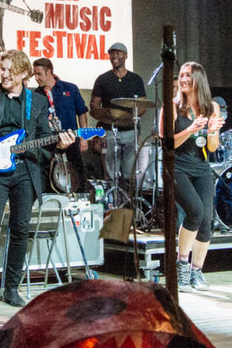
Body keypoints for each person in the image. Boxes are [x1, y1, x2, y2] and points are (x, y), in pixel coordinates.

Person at [0, 50, 75, 307]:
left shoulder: (38, 101)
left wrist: (61, 145)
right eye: (2, 69)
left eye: (10, 70)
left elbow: (46, 138)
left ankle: (11, 288)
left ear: (25, 74)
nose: (5, 74)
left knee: (21, 230)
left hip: (25, 169)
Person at [160, 62, 224, 291]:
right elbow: (167, 143)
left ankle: (197, 271)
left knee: (207, 219)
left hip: (201, 167)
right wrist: (191, 130)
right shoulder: (173, 107)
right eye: (181, 75)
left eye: (188, 75)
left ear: (199, 79)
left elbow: (213, 148)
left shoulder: (212, 107)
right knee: (195, 211)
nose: (184, 79)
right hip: (177, 167)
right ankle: (181, 267)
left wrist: (213, 130)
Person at [90, 42, 146, 184]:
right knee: (110, 175)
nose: (114, 56)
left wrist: (128, 118)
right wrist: (106, 117)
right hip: (109, 131)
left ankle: (127, 204)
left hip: (130, 131)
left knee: (129, 174)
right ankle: (111, 203)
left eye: (118, 53)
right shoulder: (102, 79)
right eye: (112, 53)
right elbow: (94, 105)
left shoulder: (136, 79)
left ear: (125, 56)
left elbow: (143, 106)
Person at [33, 58, 89, 191]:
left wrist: (84, 138)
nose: (36, 78)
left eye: (39, 74)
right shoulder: (36, 95)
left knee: (77, 177)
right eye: (34, 74)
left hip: (71, 140)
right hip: (50, 144)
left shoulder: (70, 88)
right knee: (50, 181)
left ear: (49, 72)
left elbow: (81, 112)